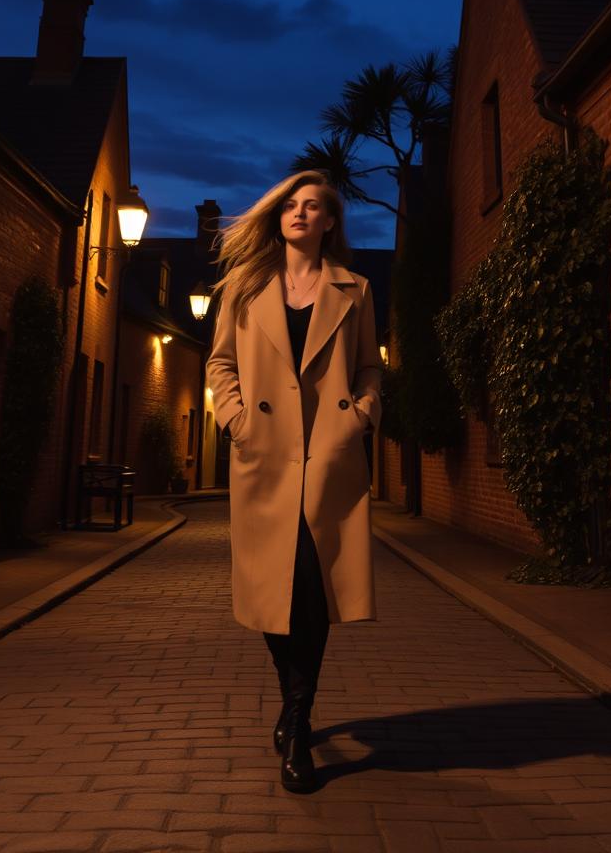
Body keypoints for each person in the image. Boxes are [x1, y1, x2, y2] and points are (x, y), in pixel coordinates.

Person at [206, 170, 382, 793]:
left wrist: (360, 417)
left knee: (311, 586)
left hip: (328, 460)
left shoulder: (355, 289)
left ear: (331, 222)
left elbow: (369, 367)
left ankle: (299, 724)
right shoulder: (244, 287)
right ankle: (295, 702)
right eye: (292, 206)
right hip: (264, 456)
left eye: (314, 207)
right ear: (278, 218)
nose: (301, 214)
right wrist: (233, 420)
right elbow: (221, 362)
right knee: (269, 591)